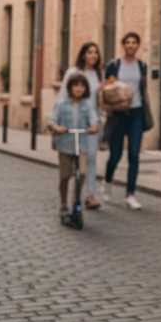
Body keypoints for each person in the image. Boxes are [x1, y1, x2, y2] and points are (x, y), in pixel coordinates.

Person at [99, 32, 151, 210]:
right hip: (118, 115)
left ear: (137, 46)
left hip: (136, 114)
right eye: (127, 42)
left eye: (134, 42)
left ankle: (130, 195)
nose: (130, 45)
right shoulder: (114, 65)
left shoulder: (142, 66)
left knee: (134, 155)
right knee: (116, 155)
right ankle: (107, 181)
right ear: (123, 45)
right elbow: (105, 89)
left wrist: (146, 107)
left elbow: (143, 88)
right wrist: (107, 107)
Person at [58, 42, 103, 209]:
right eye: (89, 52)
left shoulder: (99, 74)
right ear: (83, 55)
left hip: (91, 124)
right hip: (73, 123)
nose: (93, 55)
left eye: (96, 52)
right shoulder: (73, 72)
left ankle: (89, 195)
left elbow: (99, 100)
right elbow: (62, 97)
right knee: (70, 165)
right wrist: (58, 125)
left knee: (91, 159)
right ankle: (68, 198)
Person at [48, 73, 98, 221]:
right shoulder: (62, 103)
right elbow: (51, 120)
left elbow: (94, 121)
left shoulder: (87, 105)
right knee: (64, 176)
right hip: (65, 145)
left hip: (80, 145)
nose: (78, 88)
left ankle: (75, 201)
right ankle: (63, 205)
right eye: (76, 85)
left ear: (85, 89)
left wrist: (93, 127)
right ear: (70, 87)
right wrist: (56, 127)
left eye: (82, 86)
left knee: (81, 173)